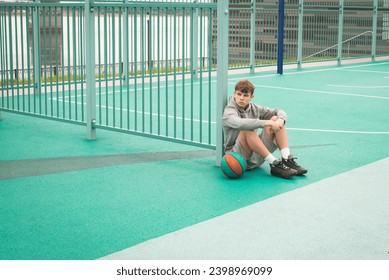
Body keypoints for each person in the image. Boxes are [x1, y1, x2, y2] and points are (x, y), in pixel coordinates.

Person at [222, 79, 307, 179]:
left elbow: (278, 111)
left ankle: (286, 159)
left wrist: (281, 120)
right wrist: (265, 122)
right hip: (238, 158)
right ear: (234, 94)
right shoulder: (229, 110)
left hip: (257, 155)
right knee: (247, 129)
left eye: (245, 95)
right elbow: (239, 123)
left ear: (251, 97)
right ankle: (274, 163)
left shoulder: (255, 108)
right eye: (239, 94)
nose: (241, 98)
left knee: (275, 119)